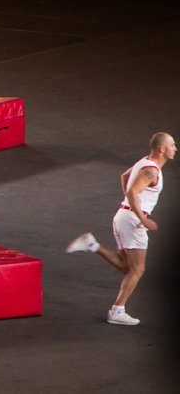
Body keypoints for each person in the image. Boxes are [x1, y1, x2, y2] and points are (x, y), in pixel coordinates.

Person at [66, 132, 176, 326]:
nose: (175, 148)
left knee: (127, 266)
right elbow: (133, 190)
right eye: (172, 145)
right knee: (138, 268)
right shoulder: (152, 172)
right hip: (133, 220)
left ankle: (92, 245)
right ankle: (117, 310)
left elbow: (124, 176)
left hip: (123, 217)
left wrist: (128, 205)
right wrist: (142, 218)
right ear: (162, 149)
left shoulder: (145, 162)